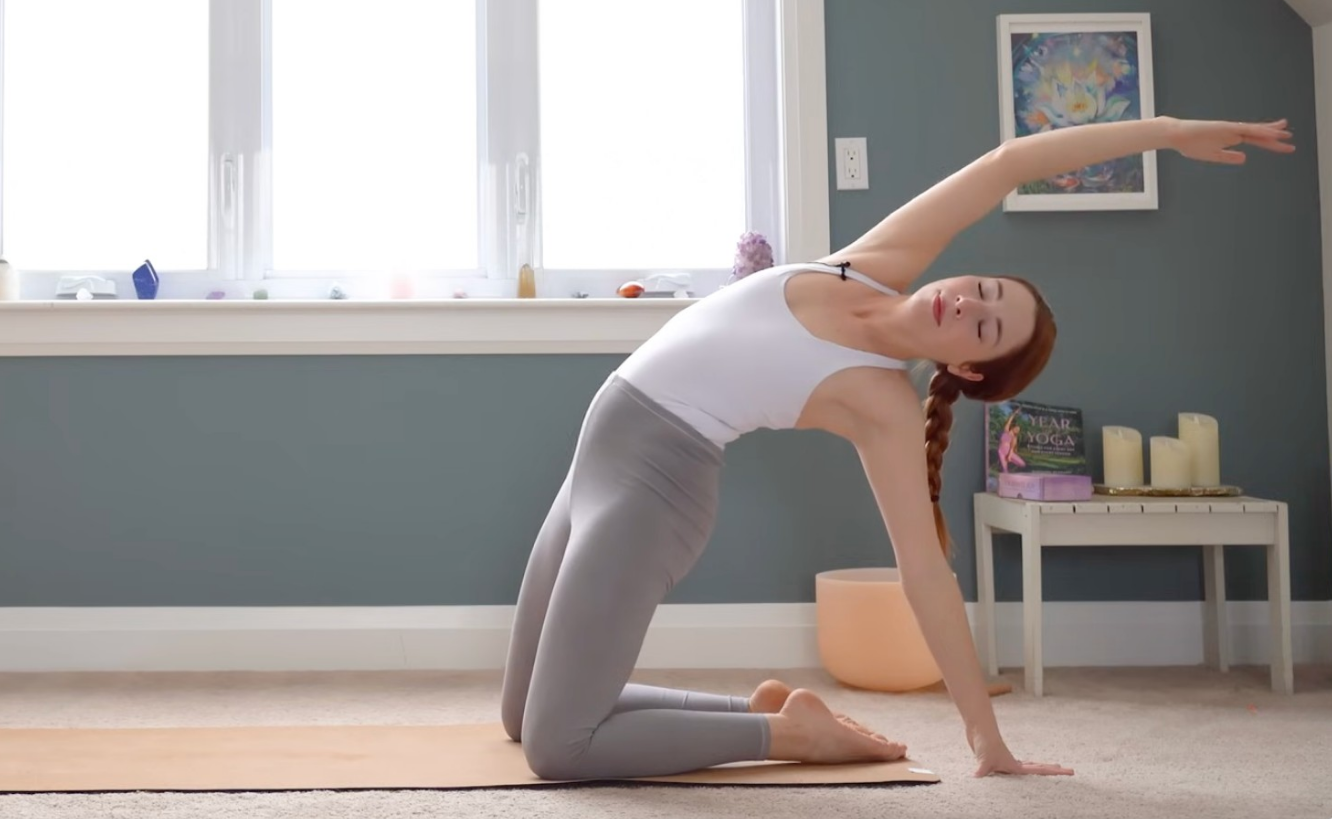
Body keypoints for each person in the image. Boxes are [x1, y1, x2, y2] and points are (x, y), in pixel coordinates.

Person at [500, 114, 1294, 781]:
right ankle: (766, 711)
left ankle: (787, 739)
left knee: (557, 746)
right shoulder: (876, 265)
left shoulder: (882, 404)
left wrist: (987, 740)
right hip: (596, 459)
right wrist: (1175, 132)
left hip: (652, 491)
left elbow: (925, 574)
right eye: (985, 290)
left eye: (984, 326)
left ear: (969, 365)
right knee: (519, 712)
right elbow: (1012, 162)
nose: (966, 303)